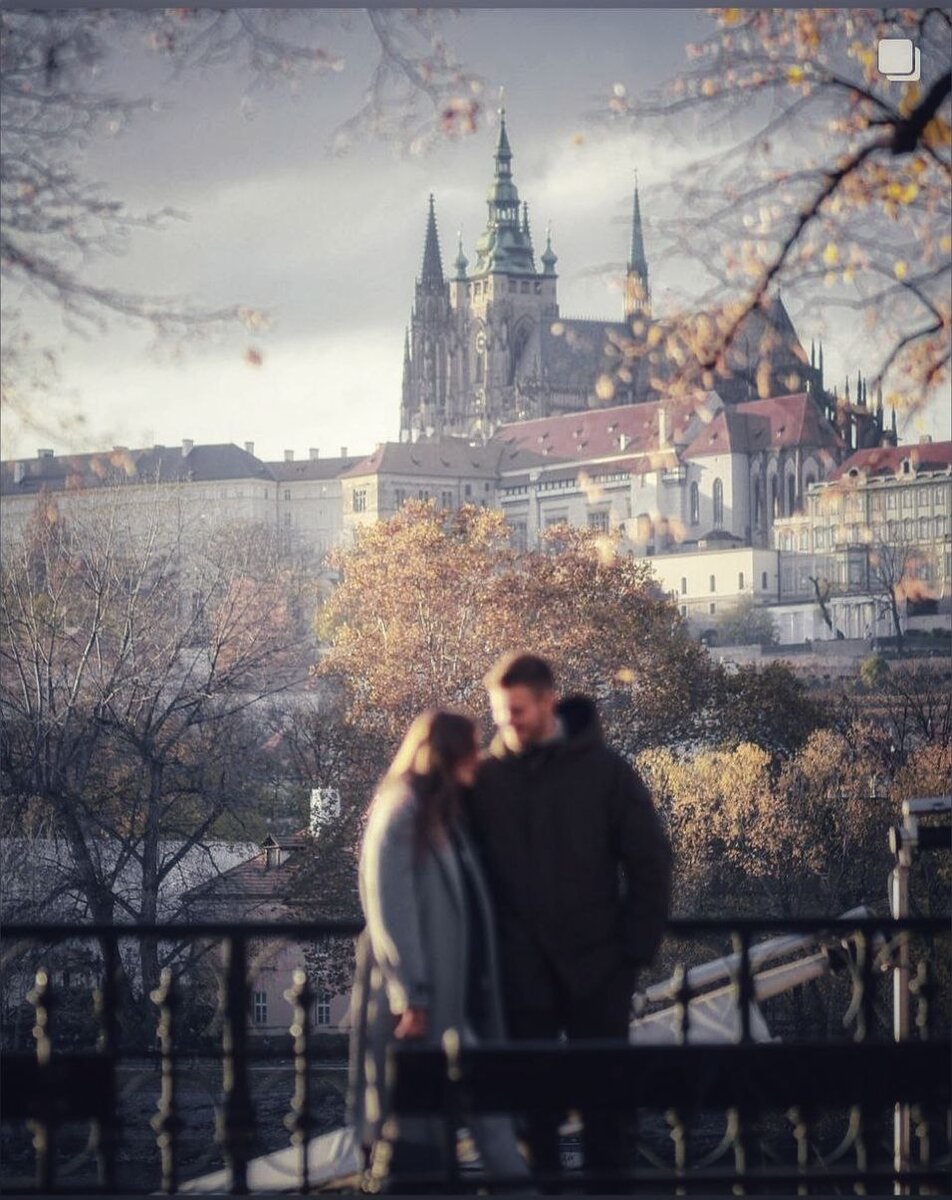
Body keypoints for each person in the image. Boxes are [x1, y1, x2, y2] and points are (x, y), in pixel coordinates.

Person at [467, 652, 672, 1189]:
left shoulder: (605, 772)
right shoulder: (487, 780)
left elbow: (650, 861)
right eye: (500, 713)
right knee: (535, 1118)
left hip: (597, 970)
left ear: (548, 702)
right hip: (521, 974)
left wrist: (632, 951)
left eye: (516, 711)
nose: (507, 723)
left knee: (606, 1112)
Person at [347, 709, 530, 1192]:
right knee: (468, 1118)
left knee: (476, 1116)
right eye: (471, 748)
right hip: (424, 1005)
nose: (479, 756)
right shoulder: (403, 813)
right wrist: (412, 993)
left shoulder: (433, 813)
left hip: (444, 999)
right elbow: (390, 908)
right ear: (449, 755)